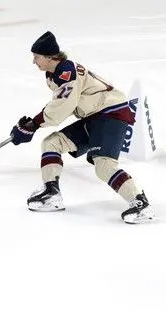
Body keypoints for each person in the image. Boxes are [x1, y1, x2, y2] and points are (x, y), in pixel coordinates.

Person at [9, 31, 154, 224]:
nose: (34, 61)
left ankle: (141, 203)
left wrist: (34, 124)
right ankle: (51, 193)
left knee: (104, 167)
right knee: (52, 143)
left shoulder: (66, 73)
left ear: (49, 57)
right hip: (95, 117)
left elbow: (63, 107)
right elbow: (62, 103)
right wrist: (32, 124)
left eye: (36, 57)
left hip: (111, 114)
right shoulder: (55, 74)